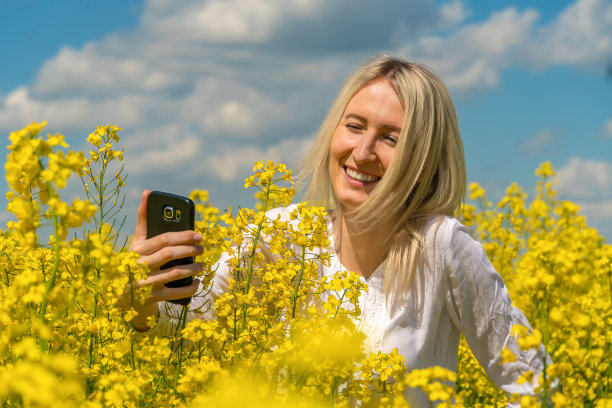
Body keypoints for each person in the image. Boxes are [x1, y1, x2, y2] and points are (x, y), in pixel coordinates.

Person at [123, 55, 548, 406]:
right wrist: (137, 295)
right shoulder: (278, 234)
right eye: (355, 126)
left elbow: (536, 385)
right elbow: (192, 330)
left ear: (424, 161)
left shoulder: (444, 247)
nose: (362, 153)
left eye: (391, 139)